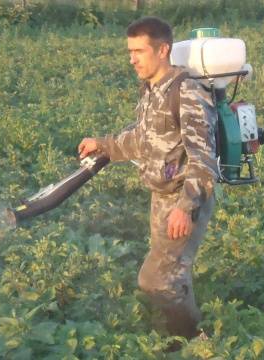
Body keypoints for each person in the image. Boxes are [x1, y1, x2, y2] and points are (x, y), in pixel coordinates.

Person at [78, 16, 218, 342]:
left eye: (139, 51)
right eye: (130, 51)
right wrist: (105, 145)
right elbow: (143, 139)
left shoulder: (187, 93)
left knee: (155, 279)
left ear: (163, 50)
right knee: (171, 271)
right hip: (160, 196)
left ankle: (194, 338)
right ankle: (177, 333)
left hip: (185, 199)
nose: (132, 58)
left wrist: (185, 207)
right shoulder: (152, 90)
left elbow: (203, 160)